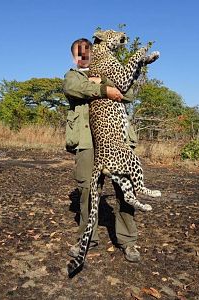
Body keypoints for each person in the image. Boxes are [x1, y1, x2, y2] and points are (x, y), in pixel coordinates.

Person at [63, 38, 140, 262]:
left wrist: (102, 81)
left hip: (116, 140)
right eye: (78, 53)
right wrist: (104, 88)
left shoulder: (106, 70)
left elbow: (128, 94)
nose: (83, 56)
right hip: (87, 142)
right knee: (87, 190)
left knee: (125, 189)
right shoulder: (72, 76)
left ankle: (128, 241)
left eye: (87, 51)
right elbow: (74, 89)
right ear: (73, 57)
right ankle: (87, 240)